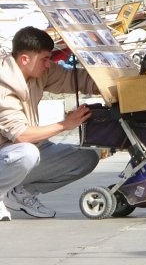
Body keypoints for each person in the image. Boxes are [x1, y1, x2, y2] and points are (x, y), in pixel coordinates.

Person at [0, 26, 100, 219]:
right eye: (44, 59)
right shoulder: (3, 87)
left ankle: (20, 193)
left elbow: (73, 79)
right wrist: (65, 125)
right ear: (25, 59)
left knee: (86, 158)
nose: (48, 64)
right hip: (10, 151)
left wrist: (115, 85)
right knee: (26, 153)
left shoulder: (39, 71)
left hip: (18, 151)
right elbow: (21, 135)